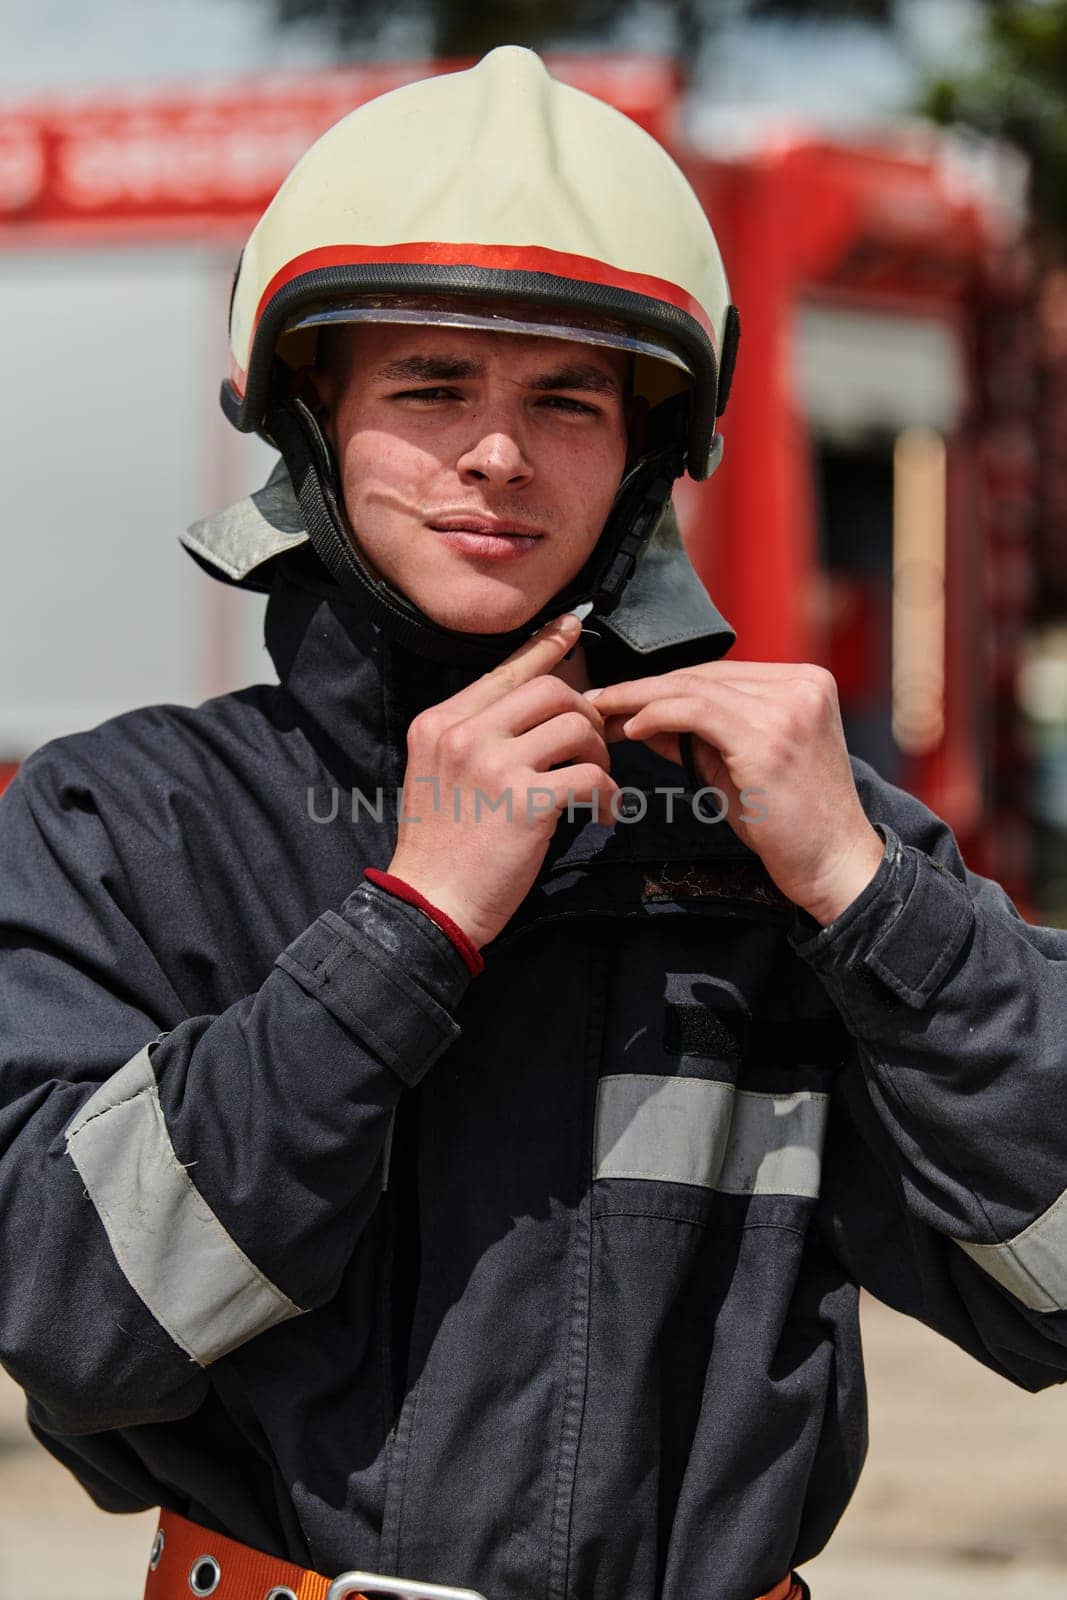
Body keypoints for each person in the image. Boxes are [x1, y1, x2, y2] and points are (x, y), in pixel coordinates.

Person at [1, 44, 1065, 1600]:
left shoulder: (789, 854)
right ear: (309, 411)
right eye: (431, 385)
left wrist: (871, 897)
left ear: (648, 454)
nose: (498, 452)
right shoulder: (127, 825)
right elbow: (75, 1324)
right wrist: (406, 930)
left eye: (568, 399)